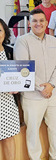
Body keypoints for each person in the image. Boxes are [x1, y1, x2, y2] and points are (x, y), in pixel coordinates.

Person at [14, 9, 56, 160]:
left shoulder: (54, 41)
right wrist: (42, 88)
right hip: (32, 97)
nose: (38, 23)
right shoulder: (22, 41)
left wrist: (51, 85)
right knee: (33, 131)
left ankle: (55, 156)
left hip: (54, 94)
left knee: (55, 129)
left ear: (46, 22)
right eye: (34, 21)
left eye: (41, 20)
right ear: (29, 23)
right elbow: (23, 68)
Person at [0, 18, 20, 160]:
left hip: (7, 102)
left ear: (5, 32)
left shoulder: (10, 51)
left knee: (8, 137)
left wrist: (17, 87)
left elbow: (18, 75)